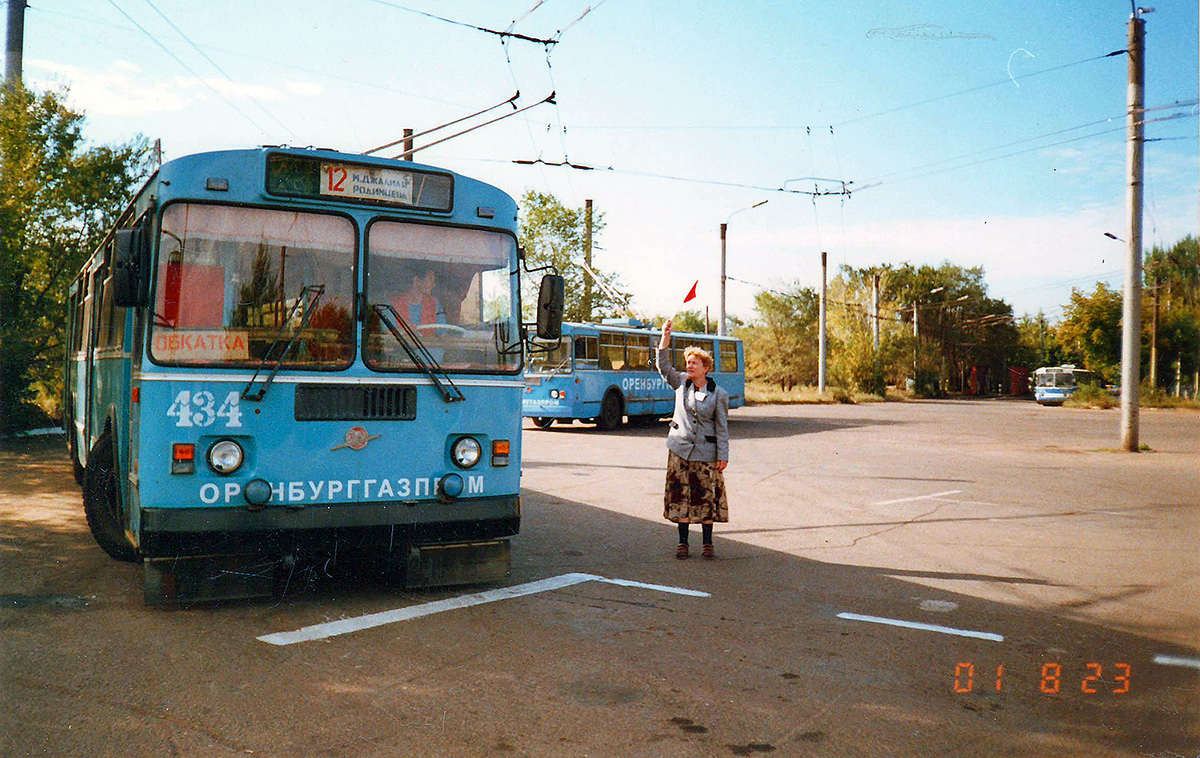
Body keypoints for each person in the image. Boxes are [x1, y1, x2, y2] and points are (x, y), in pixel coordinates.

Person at [655, 319, 730, 560]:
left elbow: (722, 427)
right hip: (679, 450)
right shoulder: (681, 384)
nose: (690, 366)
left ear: (705, 367)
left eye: (694, 363)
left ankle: (708, 544)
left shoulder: (719, 394)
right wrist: (665, 337)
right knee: (680, 498)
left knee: (704, 497)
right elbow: (663, 365)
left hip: (706, 453)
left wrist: (723, 455)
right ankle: (683, 543)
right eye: (688, 363)